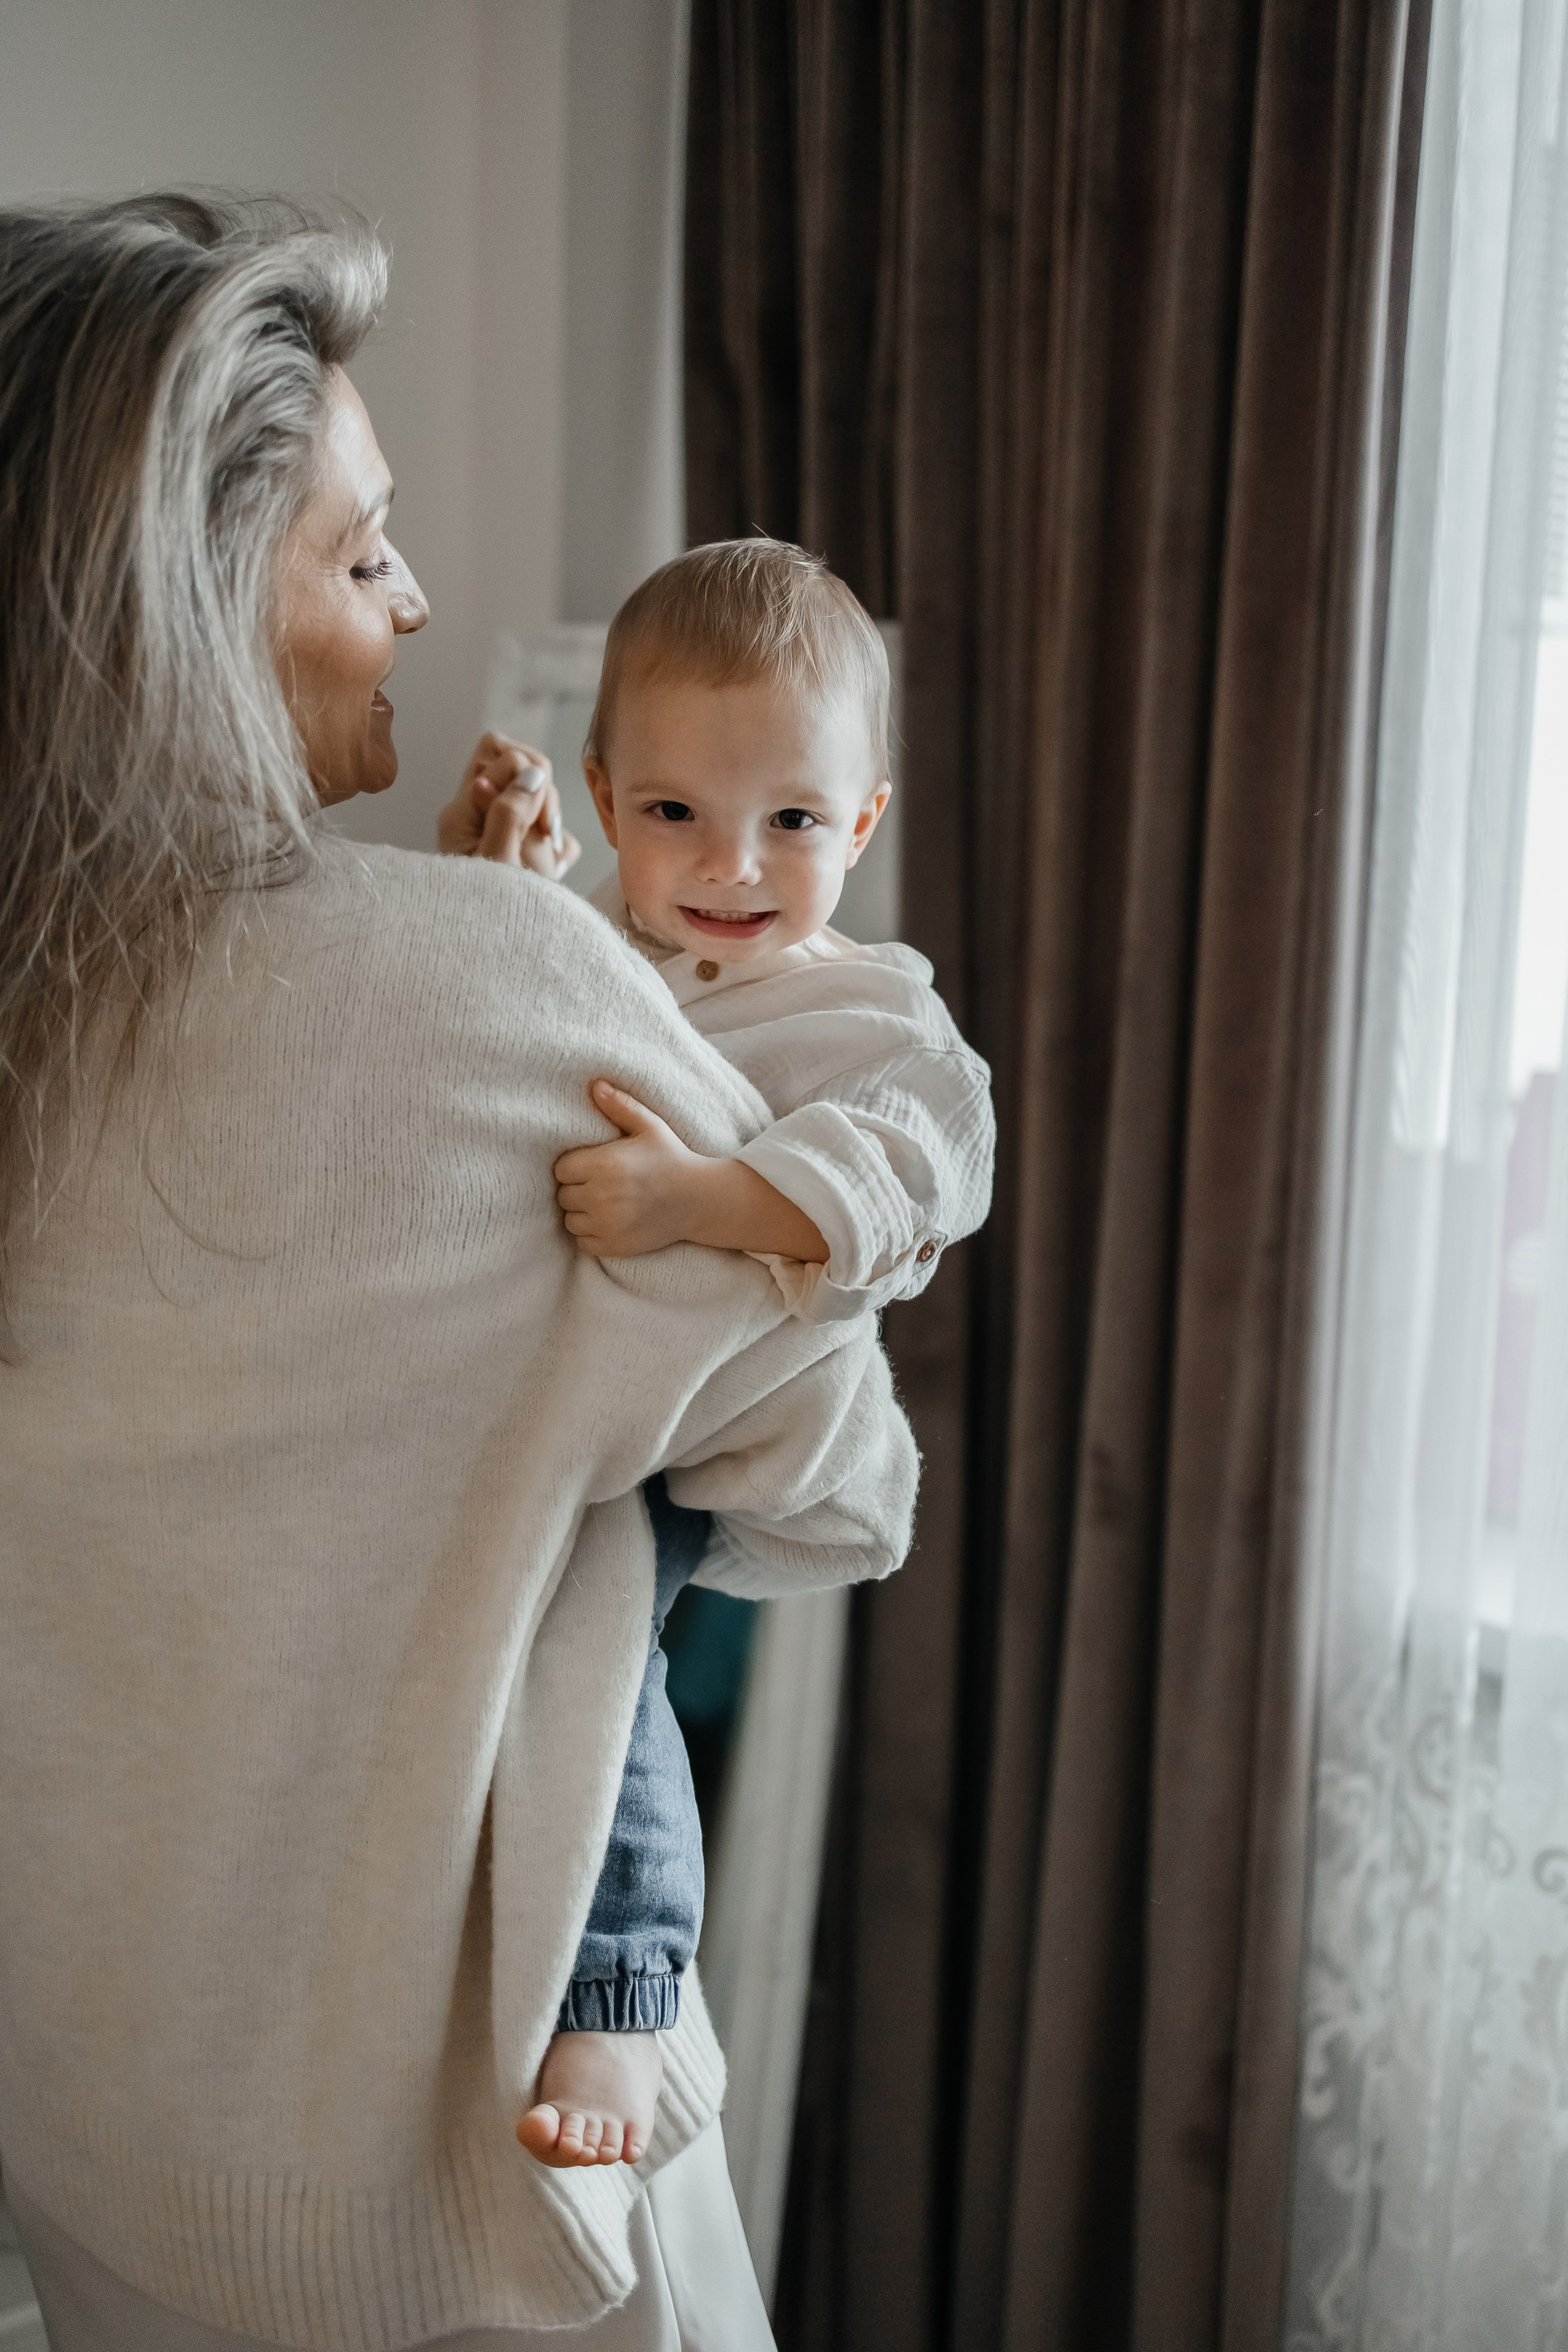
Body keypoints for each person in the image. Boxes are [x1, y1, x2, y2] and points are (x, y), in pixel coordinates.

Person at [0, 194, 917, 2351]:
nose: (416, 597)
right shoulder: (501, 984)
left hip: (110, 2183)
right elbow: (839, 1490)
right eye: (360, 549)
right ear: (197, 596)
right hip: (502, 2223)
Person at [438, 540, 995, 2167]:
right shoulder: (596, 930)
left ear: (864, 823)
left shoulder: (876, 1020)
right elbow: (491, 1022)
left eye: (795, 823)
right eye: (676, 812)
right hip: (527, 1394)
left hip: (692, 1421)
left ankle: (618, 1996)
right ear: (609, 795)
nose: (732, 867)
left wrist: (703, 1196)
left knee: (596, 1664)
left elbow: (910, 1187)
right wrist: (494, 877)